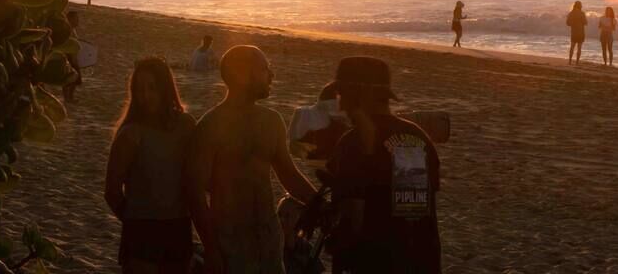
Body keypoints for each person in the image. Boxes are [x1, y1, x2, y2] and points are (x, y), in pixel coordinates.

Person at [187, 45, 317, 274]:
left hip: (268, 240)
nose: (271, 74)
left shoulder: (271, 121)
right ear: (242, 74)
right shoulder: (211, 126)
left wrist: (319, 206)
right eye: (265, 68)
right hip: (229, 242)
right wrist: (211, 248)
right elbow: (196, 194)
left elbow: (288, 174)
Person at [325, 56, 442, 273]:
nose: (339, 103)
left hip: (374, 263)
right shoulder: (419, 137)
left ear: (356, 95)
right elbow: (415, 211)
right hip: (421, 262)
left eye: (342, 94)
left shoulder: (353, 143)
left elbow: (353, 220)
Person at [104, 57, 197, 274]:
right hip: (142, 231)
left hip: (179, 227)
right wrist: (136, 221)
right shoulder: (131, 134)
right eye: (139, 89)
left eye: (152, 88)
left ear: (165, 89)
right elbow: (112, 191)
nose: (145, 96)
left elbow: (198, 177)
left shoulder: (186, 126)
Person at [63, 10, 83, 104]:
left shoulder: (72, 29)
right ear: (70, 19)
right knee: (70, 78)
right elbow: (67, 44)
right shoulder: (67, 30)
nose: (78, 21)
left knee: (74, 79)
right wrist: (73, 58)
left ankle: (69, 97)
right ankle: (68, 98)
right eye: (76, 19)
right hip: (69, 57)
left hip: (73, 56)